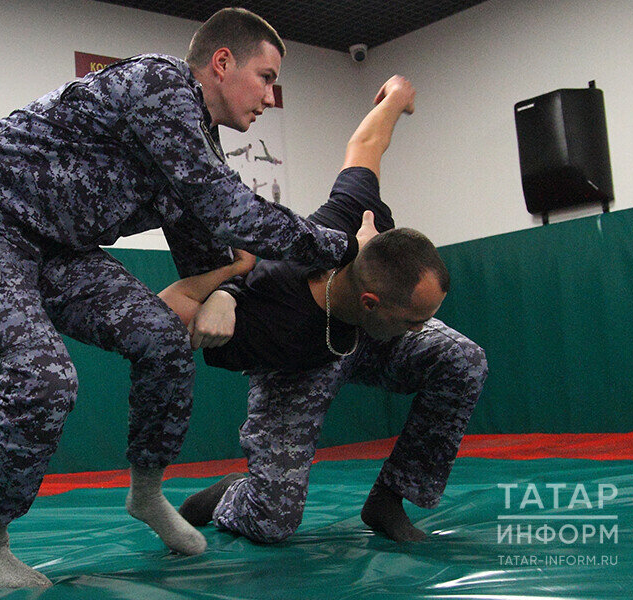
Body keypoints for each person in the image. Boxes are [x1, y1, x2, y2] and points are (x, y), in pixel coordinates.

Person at [0, 7, 363, 589]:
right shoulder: (159, 84)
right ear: (221, 63)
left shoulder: (197, 146)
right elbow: (233, 212)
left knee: (162, 340)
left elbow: (208, 250)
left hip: (58, 250)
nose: (270, 98)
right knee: (42, 380)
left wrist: (224, 291)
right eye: (268, 77)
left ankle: (146, 494)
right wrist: (337, 243)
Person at [162, 76, 487, 544]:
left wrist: (395, 97)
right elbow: (173, 309)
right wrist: (215, 299)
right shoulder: (271, 311)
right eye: (414, 319)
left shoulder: (356, 214)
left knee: (463, 359)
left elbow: (366, 143)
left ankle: (388, 500)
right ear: (373, 301)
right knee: (271, 523)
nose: (422, 328)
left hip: (363, 337)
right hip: (295, 366)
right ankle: (234, 494)